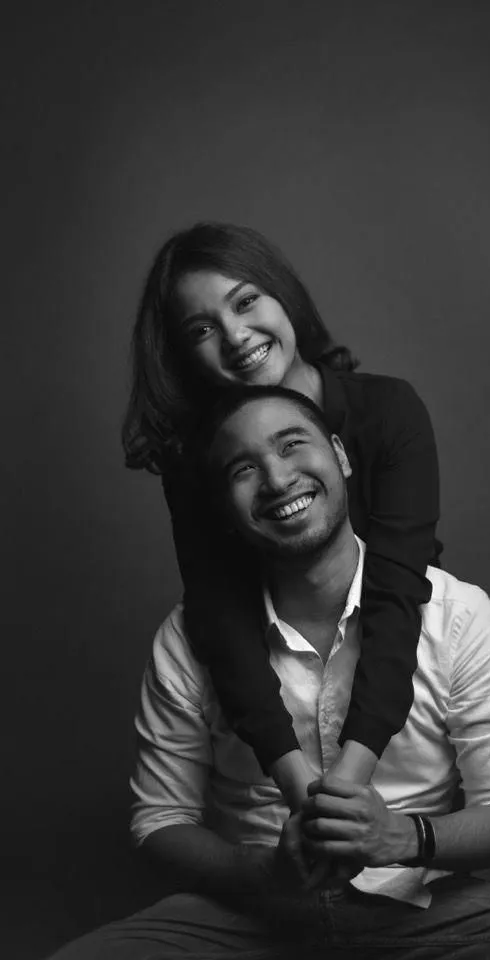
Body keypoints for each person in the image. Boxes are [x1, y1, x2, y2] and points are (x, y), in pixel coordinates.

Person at [49, 386, 490, 959]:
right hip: (251, 917)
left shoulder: (456, 615)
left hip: (422, 911)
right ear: (223, 508)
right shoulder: (187, 637)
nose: (278, 480)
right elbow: (159, 821)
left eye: (291, 445)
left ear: (340, 454)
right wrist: (263, 871)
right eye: (243, 470)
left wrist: (402, 838)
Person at [121, 221, 441, 814]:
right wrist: (297, 787)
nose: (237, 337)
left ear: (282, 296)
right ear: (183, 354)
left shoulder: (387, 410)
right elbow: (219, 615)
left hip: (399, 687)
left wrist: (349, 779)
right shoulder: (197, 460)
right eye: (202, 329)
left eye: (246, 302)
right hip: (272, 711)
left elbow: (397, 593)